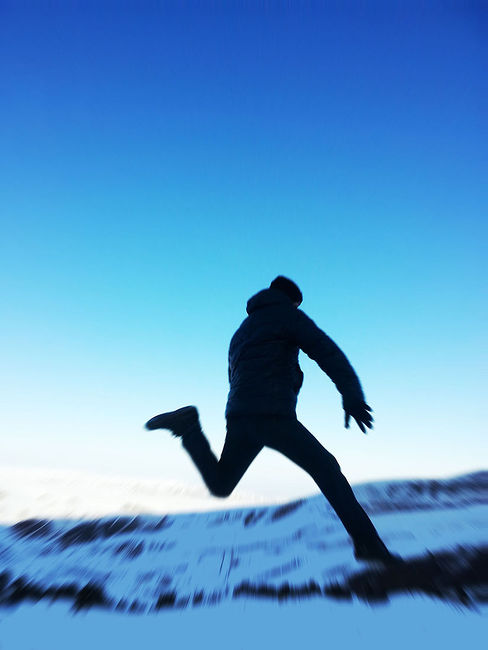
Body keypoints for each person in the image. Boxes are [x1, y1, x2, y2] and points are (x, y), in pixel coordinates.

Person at [145, 276, 399, 563]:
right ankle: (368, 546)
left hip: (240, 416)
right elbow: (327, 352)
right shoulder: (288, 316)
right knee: (327, 470)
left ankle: (189, 428)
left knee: (221, 484)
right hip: (273, 415)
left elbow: (235, 377)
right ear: (292, 300)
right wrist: (352, 396)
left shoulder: (241, 331)